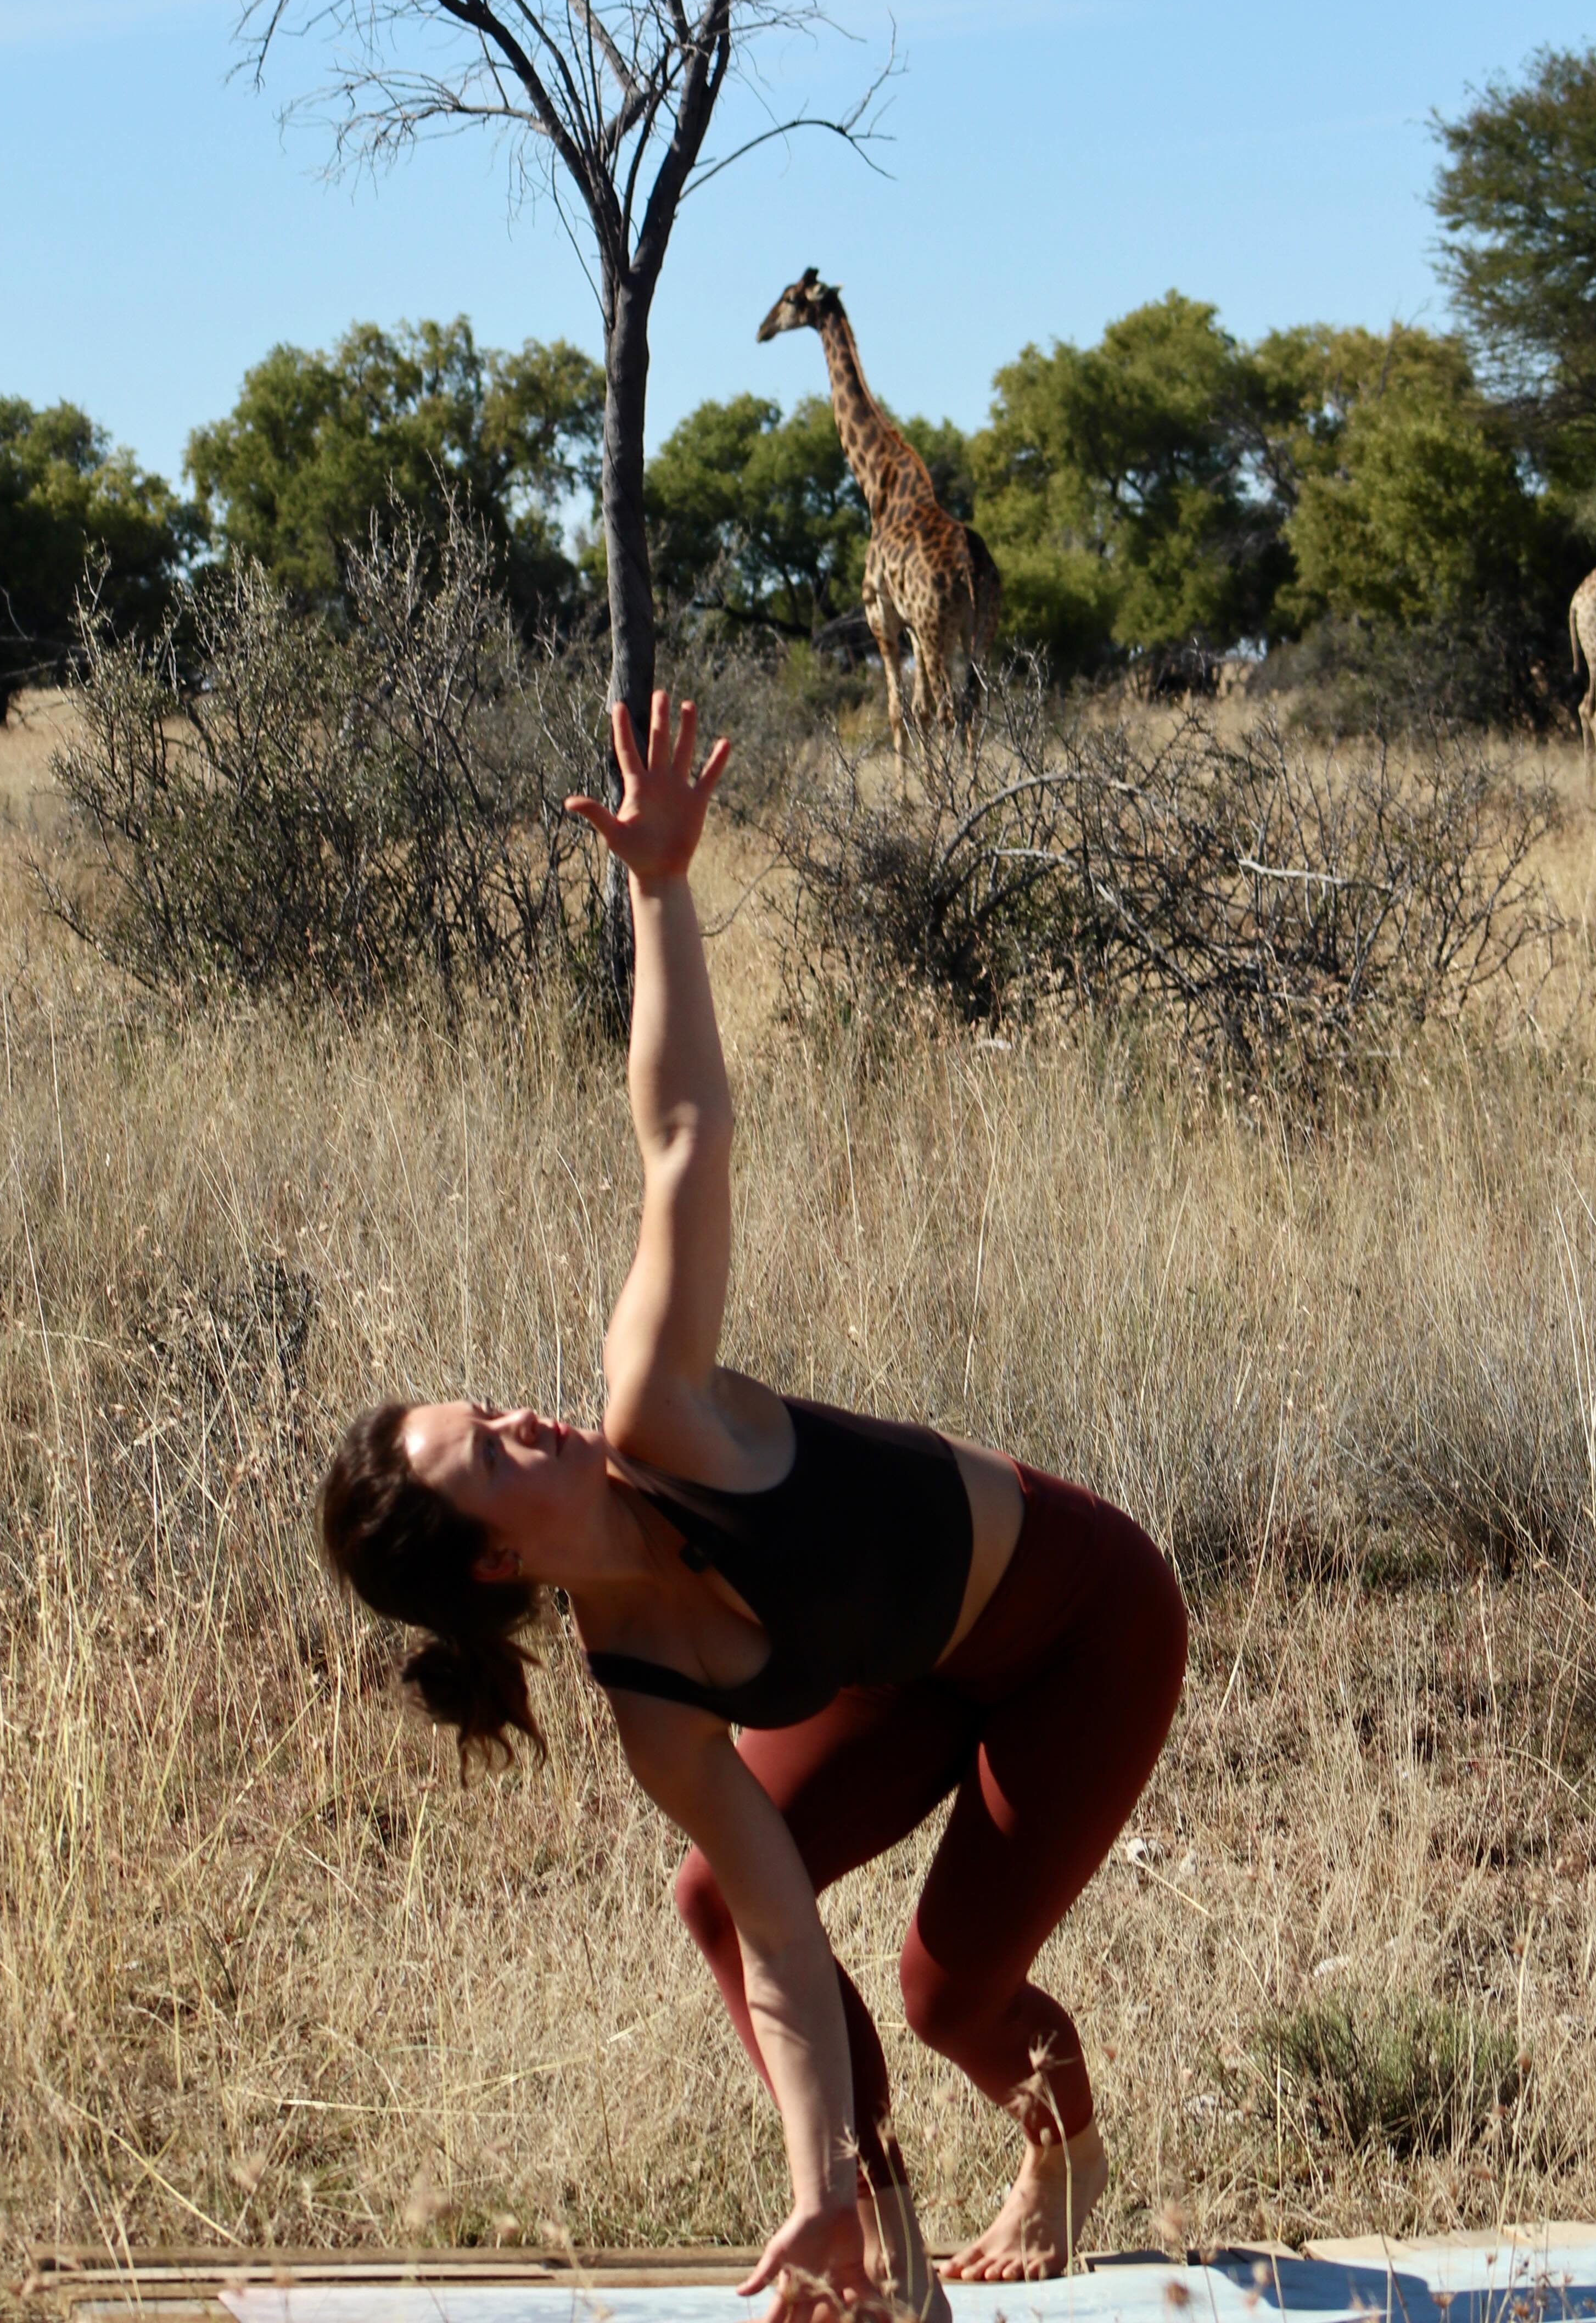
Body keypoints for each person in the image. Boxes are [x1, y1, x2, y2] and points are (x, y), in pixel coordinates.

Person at [320, 695, 1187, 2316]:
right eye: (492, 1449)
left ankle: (1063, 2146)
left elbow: (684, 1133)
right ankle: (881, 2241)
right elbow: (788, 1957)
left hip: (1082, 1624)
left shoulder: (662, 1413)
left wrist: (662, 888)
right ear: (502, 1557)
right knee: (726, 1892)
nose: (526, 1415)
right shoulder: (650, 1704)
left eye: (491, 1409)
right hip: (909, 1669)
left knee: (950, 1994)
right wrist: (817, 2188)